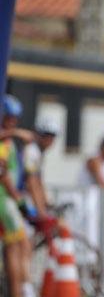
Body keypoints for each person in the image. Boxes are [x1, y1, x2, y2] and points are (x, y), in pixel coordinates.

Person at [0, 95, 34, 297]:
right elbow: (3, 174)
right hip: (5, 201)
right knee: (17, 247)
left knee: (14, 248)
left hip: (7, 200)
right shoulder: (5, 144)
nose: (13, 121)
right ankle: (18, 292)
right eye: (9, 118)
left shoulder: (8, 141)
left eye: (15, 118)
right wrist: (18, 198)